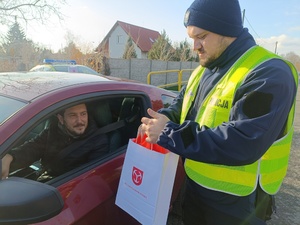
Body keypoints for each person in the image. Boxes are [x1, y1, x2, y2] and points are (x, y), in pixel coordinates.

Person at [140, 0, 298, 224]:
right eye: (191, 38)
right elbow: (183, 105)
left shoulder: (269, 72)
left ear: (227, 30)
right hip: (197, 190)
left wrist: (168, 132)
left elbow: (243, 141)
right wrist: (161, 119)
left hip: (239, 205)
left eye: (201, 36)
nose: (194, 46)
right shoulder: (204, 69)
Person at [1, 103, 109, 180]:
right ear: (61, 119)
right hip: (43, 176)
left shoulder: (98, 141)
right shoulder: (53, 131)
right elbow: (33, 147)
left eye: (83, 114)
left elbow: (88, 178)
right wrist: (10, 156)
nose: (80, 121)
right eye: (73, 115)